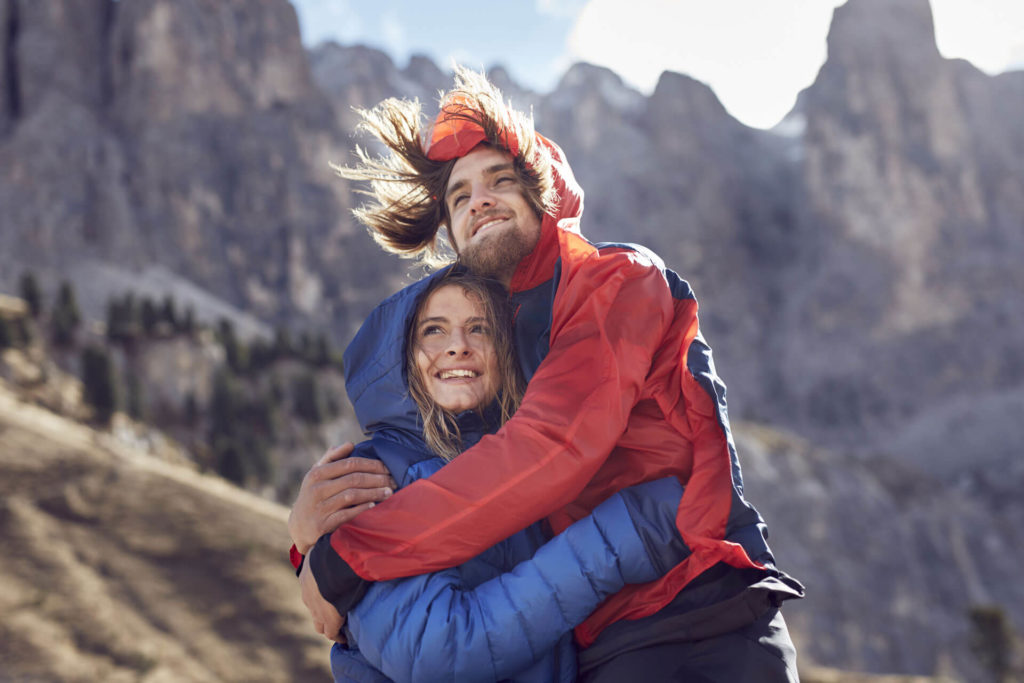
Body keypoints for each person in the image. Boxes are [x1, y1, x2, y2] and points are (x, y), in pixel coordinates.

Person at [301, 68, 804, 681]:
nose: (478, 200)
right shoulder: (500, 350)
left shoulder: (615, 282)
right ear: (453, 237)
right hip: (604, 643)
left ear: (543, 195)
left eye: (499, 181)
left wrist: (350, 556)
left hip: (702, 616)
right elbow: (457, 472)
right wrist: (307, 540)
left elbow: (554, 446)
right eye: (459, 198)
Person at [296, 270, 688, 681]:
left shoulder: (519, 461)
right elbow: (440, 654)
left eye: (479, 329)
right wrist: (617, 539)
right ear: (401, 357)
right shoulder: (370, 475)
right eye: (434, 330)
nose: (458, 347)